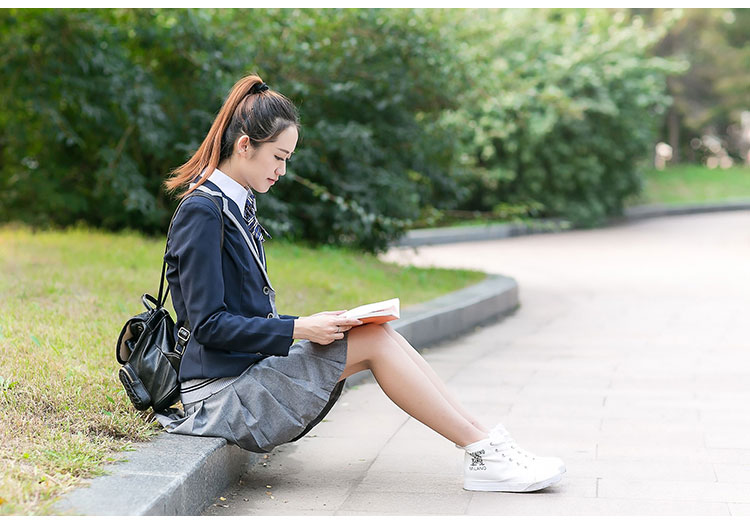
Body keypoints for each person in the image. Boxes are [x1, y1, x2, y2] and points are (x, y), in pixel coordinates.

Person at [156, 74, 565, 493]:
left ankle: (485, 441)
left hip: (246, 374)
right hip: (221, 398)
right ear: (244, 145)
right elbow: (209, 325)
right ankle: (482, 451)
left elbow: (243, 315)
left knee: (374, 329)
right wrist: (300, 328)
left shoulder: (235, 205)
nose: (282, 170)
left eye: (288, 159)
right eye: (278, 157)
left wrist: (321, 322)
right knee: (373, 342)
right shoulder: (203, 211)